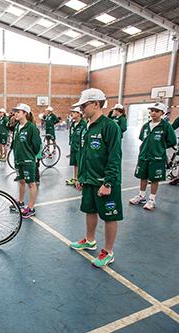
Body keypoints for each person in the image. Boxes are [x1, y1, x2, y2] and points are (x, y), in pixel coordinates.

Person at [70, 88, 122, 268]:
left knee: (109, 216)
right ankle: (90, 240)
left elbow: (115, 156)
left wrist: (108, 182)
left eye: (84, 105)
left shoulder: (110, 126)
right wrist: (80, 177)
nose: (82, 109)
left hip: (105, 182)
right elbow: (84, 155)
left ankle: (108, 251)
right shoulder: (86, 126)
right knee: (89, 210)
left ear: (96, 104)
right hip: (89, 180)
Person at [129, 103, 176, 211]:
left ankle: (152, 199)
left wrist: (159, 148)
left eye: (157, 111)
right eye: (152, 111)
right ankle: (141, 196)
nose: (153, 113)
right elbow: (143, 139)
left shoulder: (166, 126)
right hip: (143, 156)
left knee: (154, 179)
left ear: (162, 113)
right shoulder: (146, 126)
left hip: (157, 158)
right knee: (143, 176)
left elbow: (172, 141)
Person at [11, 103, 42, 219]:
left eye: (18, 112)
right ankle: (20, 202)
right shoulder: (17, 127)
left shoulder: (31, 127)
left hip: (28, 161)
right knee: (21, 181)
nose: (15, 114)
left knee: (31, 184)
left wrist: (30, 156)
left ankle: (31, 208)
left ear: (25, 113)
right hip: (18, 160)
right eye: (15, 111)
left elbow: (37, 145)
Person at [66, 106, 87, 186]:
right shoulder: (73, 124)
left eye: (74, 112)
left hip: (80, 148)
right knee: (75, 163)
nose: (72, 114)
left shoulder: (84, 124)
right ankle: (75, 178)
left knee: (80, 164)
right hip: (73, 147)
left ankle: (81, 179)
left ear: (79, 114)